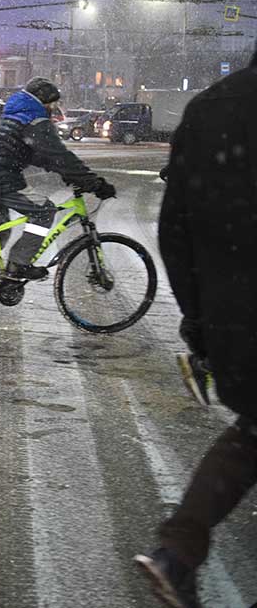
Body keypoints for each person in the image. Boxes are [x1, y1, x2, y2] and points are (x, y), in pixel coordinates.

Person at [133, 52, 257, 608]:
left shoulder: (211, 108)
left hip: (235, 320)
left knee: (251, 438)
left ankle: (178, 554)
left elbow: (174, 232)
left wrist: (201, 320)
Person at [0, 77, 115, 281]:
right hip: (1, 179)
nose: (53, 108)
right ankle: (18, 266)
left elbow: (38, 154)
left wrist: (64, 172)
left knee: (0, 230)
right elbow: (59, 156)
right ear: (42, 102)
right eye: (52, 104)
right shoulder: (36, 121)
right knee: (44, 211)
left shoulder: (16, 115)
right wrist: (93, 183)